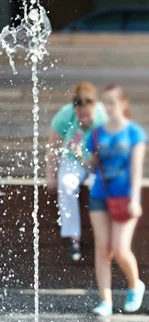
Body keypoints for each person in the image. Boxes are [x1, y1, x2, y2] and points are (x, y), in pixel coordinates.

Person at [82, 85, 147, 317]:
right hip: (100, 194)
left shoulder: (134, 133)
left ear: (122, 103)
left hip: (125, 196)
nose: (108, 107)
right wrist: (80, 157)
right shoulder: (97, 133)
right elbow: (92, 165)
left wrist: (134, 198)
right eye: (105, 103)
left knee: (120, 249)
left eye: (112, 102)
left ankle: (135, 285)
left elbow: (136, 168)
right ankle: (106, 301)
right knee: (103, 249)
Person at [45, 82, 108, 262]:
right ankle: (74, 239)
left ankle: (105, 236)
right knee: (66, 184)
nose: (83, 119)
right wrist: (51, 175)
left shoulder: (102, 118)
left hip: (96, 160)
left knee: (103, 185)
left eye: (86, 115)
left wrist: (85, 158)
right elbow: (53, 147)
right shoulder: (64, 116)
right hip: (73, 160)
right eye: (79, 114)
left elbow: (100, 159)